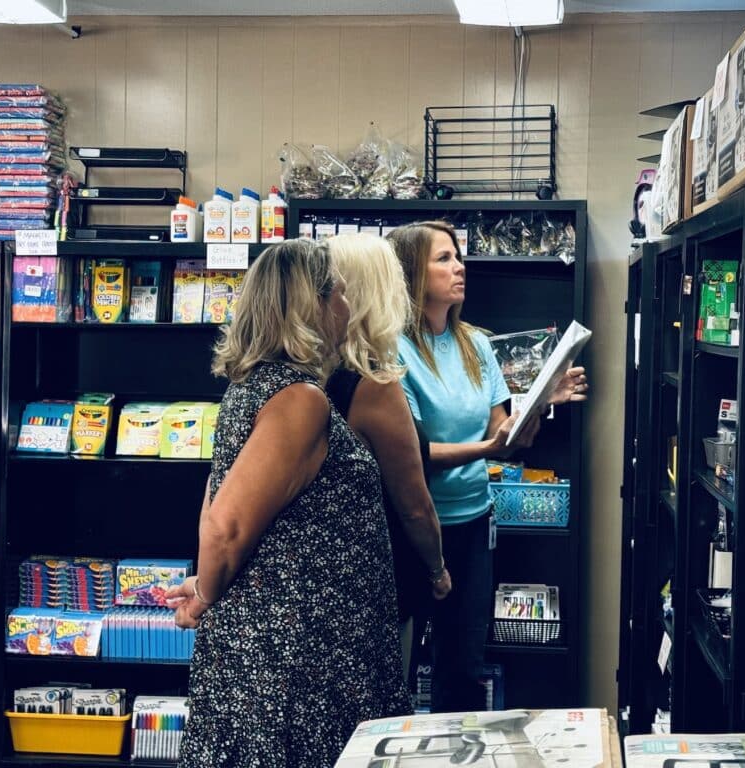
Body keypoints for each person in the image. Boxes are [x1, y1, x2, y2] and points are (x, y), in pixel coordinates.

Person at [165, 239, 410, 768]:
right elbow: (225, 528)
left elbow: (219, 505)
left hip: (291, 649)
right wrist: (206, 590)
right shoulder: (300, 400)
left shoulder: (255, 387)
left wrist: (209, 588)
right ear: (314, 304)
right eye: (340, 294)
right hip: (296, 658)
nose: (348, 306)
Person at [387, 221, 588, 713]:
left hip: (474, 524)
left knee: (463, 668)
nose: (460, 267)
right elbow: (412, 453)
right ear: (412, 271)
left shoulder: (475, 344)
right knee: (398, 668)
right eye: (443, 258)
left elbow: (507, 437)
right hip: (412, 530)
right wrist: (488, 448)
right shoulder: (393, 350)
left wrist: (540, 403)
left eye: (458, 256)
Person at [324, 233, 452, 680]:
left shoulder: (309, 375)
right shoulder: (375, 384)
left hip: (318, 580)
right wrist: (437, 569)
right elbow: (413, 506)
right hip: (378, 580)